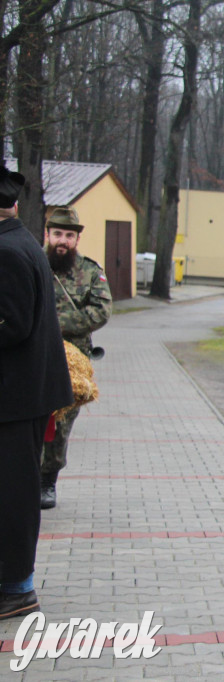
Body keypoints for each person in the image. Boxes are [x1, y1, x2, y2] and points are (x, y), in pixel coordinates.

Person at [0, 164, 73, 620]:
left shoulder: (7, 252)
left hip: (13, 399)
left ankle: (15, 587)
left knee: (12, 495)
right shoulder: (20, 242)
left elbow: (11, 326)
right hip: (22, 396)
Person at [40, 206, 112, 509]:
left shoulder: (90, 271)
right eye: (58, 234)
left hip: (72, 363)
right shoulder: (32, 263)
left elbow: (101, 310)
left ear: (77, 239)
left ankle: (47, 482)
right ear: (47, 234)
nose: (63, 241)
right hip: (33, 355)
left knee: (60, 424)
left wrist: (57, 324)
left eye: (69, 235)